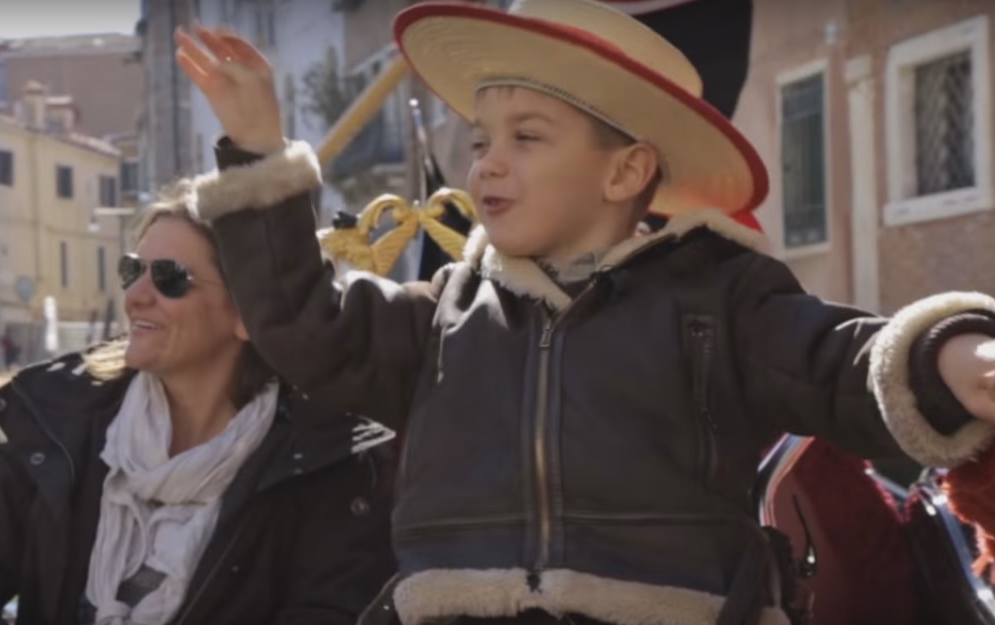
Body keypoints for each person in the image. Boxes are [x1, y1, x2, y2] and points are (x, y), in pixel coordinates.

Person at [174, 2, 995, 624]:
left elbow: (840, 363)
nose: (485, 162)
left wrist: (950, 354)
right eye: (481, 137)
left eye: (525, 137)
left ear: (624, 170)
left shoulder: (720, 299)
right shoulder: (443, 315)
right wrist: (256, 152)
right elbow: (302, 321)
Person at [0, 184, 398, 625]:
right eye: (132, 270)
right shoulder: (62, 427)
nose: (135, 295)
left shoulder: (329, 463)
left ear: (249, 317)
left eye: (169, 278)